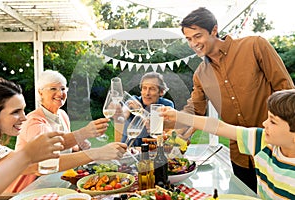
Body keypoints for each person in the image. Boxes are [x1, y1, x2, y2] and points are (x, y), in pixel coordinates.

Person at [178, 7, 295, 191]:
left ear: (214, 30)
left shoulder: (255, 46)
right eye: (189, 39)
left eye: (198, 36)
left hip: (274, 148)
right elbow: (195, 109)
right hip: (240, 154)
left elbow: (286, 91)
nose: (193, 43)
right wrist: (173, 124)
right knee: (245, 195)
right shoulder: (201, 74)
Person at [161, 89, 295, 199]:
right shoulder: (263, 141)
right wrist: (179, 116)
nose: (264, 123)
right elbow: (219, 127)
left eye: (273, 121)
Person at [6, 70, 124, 193]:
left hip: (59, 180)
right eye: (53, 89)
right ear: (40, 92)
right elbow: (49, 158)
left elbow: (64, 148)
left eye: (62, 89)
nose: (59, 93)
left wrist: (78, 146)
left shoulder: (62, 115)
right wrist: (86, 136)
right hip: (31, 187)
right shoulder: (34, 122)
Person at [121, 72, 174, 146]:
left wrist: (141, 111)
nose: (147, 93)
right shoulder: (134, 100)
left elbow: (165, 128)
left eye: (152, 89)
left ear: (161, 92)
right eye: (144, 88)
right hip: (129, 149)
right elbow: (123, 114)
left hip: (153, 151)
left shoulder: (166, 105)